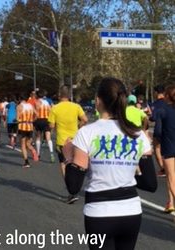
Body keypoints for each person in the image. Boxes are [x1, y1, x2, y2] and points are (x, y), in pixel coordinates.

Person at [65, 77, 155, 250]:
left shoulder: (86, 133)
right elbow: (150, 184)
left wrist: (69, 156)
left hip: (99, 213)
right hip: (131, 212)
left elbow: (73, 186)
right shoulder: (138, 134)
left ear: (98, 101)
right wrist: (126, 168)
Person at [48, 85, 88, 204]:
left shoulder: (55, 108)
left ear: (59, 95)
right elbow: (85, 119)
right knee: (76, 164)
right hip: (76, 140)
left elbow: (51, 126)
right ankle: (75, 188)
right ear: (69, 95)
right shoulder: (76, 106)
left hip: (62, 141)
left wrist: (55, 127)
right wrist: (78, 127)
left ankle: (71, 191)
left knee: (64, 164)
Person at [154, 84, 175, 214]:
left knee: (172, 178)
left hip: (169, 148)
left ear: (167, 96)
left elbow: (157, 131)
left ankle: (172, 202)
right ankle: (170, 203)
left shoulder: (163, 111)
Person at [17, 93, 39, 168]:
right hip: (30, 126)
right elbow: (37, 114)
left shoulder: (19, 106)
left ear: (20, 99)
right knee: (28, 143)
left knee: (23, 145)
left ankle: (26, 162)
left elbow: (17, 118)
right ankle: (33, 150)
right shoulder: (31, 106)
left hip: (22, 126)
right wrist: (32, 120)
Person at [34, 89, 55, 162]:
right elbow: (51, 111)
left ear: (37, 95)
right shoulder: (46, 102)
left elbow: (36, 112)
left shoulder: (37, 102)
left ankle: (38, 154)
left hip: (39, 120)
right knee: (48, 138)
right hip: (46, 120)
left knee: (38, 137)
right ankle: (51, 153)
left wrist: (34, 120)